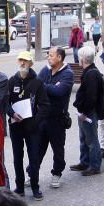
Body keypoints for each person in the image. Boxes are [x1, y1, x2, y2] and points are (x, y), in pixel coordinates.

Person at [6, 51, 49, 200]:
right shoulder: (12, 81)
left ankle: (35, 187)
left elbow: (44, 105)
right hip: (16, 126)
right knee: (17, 157)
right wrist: (11, 113)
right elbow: (5, 102)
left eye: (25, 61)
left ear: (30, 64)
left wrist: (36, 122)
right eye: (20, 61)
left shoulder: (37, 82)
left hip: (32, 128)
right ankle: (19, 186)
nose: (22, 64)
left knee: (34, 158)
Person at [37, 47, 74, 189]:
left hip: (57, 118)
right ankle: (32, 172)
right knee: (38, 148)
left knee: (58, 149)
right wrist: (48, 87)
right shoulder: (45, 70)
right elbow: (36, 85)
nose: (48, 57)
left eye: (51, 55)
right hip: (42, 117)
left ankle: (57, 173)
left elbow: (59, 92)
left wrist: (44, 86)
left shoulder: (67, 74)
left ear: (59, 57)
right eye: (48, 55)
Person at [68, 45, 104, 175]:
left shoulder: (91, 74)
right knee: (84, 138)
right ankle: (84, 162)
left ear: (82, 59)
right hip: (85, 111)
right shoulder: (90, 71)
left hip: (88, 113)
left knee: (91, 139)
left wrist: (84, 112)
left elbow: (91, 97)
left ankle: (94, 166)